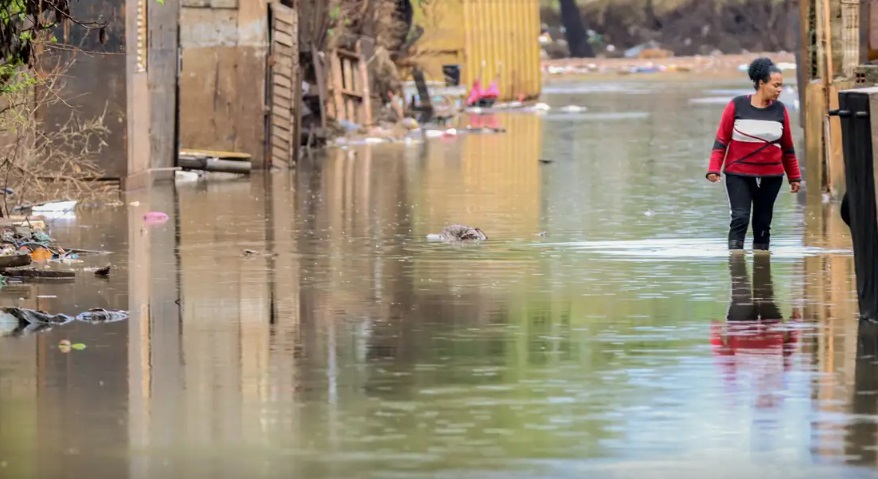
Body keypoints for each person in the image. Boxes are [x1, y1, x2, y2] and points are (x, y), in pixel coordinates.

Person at [706, 57, 802, 251]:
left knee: (763, 223)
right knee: (740, 218)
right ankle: (737, 269)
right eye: (776, 85)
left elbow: (787, 148)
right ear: (761, 83)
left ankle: (762, 272)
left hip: (771, 176)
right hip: (738, 174)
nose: (780, 89)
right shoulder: (737, 105)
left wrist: (794, 177)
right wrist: (713, 169)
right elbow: (722, 140)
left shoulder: (780, 110)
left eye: (781, 86)